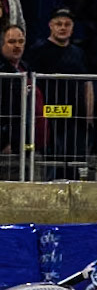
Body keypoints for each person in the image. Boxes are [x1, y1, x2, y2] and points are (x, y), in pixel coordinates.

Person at [25, 8, 94, 180]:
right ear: (50, 26)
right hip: (50, 119)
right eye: (59, 24)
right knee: (52, 167)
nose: (63, 28)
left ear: (72, 27)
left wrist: (89, 115)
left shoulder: (79, 53)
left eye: (67, 24)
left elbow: (88, 83)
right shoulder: (38, 51)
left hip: (76, 120)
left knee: (75, 168)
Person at [0, 24, 44, 181]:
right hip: (6, 144)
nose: (17, 46)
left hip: (25, 141)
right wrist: (5, 141)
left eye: (20, 41)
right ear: (2, 44)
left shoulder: (26, 67)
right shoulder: (2, 70)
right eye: (12, 41)